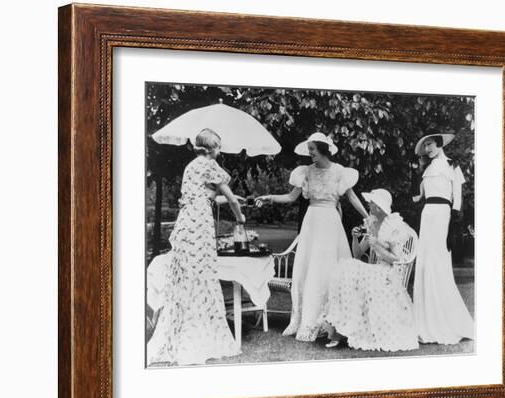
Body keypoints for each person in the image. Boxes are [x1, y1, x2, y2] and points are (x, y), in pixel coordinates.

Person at [255, 132, 368, 341]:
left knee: (329, 269)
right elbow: (291, 196)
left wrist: (368, 217)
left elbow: (352, 198)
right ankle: (308, 321)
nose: (310, 155)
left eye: (313, 151)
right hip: (312, 222)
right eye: (309, 151)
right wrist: (269, 197)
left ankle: (332, 322)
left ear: (323, 150)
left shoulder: (339, 172)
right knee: (310, 269)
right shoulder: (305, 172)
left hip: (331, 223)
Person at [147, 128, 245, 366]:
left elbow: (205, 196)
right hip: (199, 225)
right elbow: (228, 197)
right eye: (219, 147)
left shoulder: (190, 166)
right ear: (212, 148)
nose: (219, 151)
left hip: (185, 224)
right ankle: (199, 335)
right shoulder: (210, 165)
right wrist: (239, 216)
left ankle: (185, 330)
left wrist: (231, 199)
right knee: (202, 276)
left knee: (188, 279)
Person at [321, 189, 419, 351]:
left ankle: (345, 331)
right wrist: (354, 238)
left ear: (379, 207)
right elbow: (357, 254)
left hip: (387, 271)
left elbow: (395, 259)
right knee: (346, 267)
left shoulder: (394, 226)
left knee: (353, 273)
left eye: (372, 203)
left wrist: (377, 245)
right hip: (374, 270)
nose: (369, 205)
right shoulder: (371, 223)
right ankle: (340, 329)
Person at [412, 132, 474, 344]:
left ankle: (446, 319)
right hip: (427, 215)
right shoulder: (426, 169)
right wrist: (414, 175)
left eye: (430, 144)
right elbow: (417, 197)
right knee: (426, 262)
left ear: (438, 144)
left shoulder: (452, 166)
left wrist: (454, 222)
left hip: (442, 215)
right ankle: (425, 320)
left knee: (438, 262)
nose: (428, 149)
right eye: (425, 146)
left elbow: (457, 197)